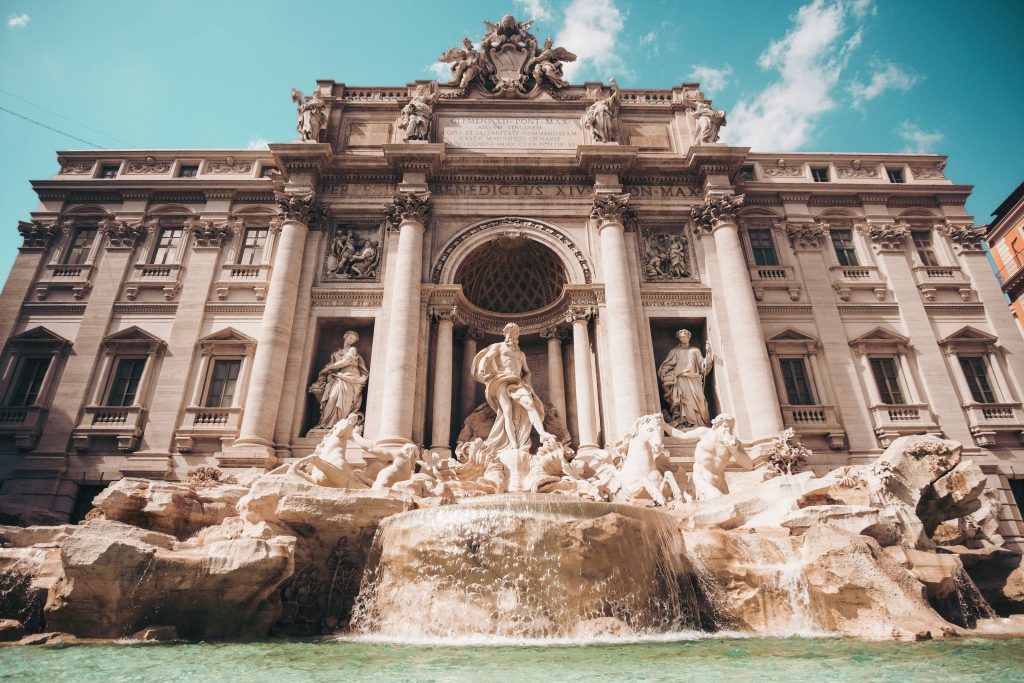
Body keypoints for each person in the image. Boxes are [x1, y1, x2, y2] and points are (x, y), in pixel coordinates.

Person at [471, 322, 552, 452]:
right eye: (509, 332)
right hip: (501, 381)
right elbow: (486, 358)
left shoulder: (521, 354)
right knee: (507, 412)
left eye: (514, 333)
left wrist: (526, 379)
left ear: (517, 335)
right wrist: (481, 369)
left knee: (529, 404)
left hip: (517, 382)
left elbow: (527, 372)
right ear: (505, 334)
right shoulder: (499, 347)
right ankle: (513, 444)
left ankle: (542, 434)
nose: (511, 335)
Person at [665, 414, 753, 500]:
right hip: (701, 478)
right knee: (718, 500)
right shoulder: (704, 432)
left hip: (720, 482)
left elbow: (749, 465)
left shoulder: (734, 442)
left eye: (731, 428)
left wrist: (734, 451)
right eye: (725, 426)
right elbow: (681, 435)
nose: (728, 430)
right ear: (716, 426)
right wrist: (663, 425)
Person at [311, 331, 368, 429]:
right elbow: (332, 365)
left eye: (353, 340)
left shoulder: (353, 349)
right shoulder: (335, 353)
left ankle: (341, 426)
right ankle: (325, 424)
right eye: (350, 338)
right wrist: (327, 370)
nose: (351, 340)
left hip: (350, 377)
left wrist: (327, 369)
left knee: (345, 403)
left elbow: (345, 362)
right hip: (337, 376)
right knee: (332, 397)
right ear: (345, 337)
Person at [658, 329, 713, 428]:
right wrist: (665, 374)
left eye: (684, 336)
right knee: (684, 401)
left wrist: (708, 353)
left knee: (700, 402)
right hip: (680, 379)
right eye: (681, 337)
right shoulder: (675, 351)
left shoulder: (695, 351)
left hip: (694, 378)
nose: (682, 338)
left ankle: (700, 422)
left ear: (689, 336)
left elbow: (702, 365)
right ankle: (686, 422)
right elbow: (666, 365)